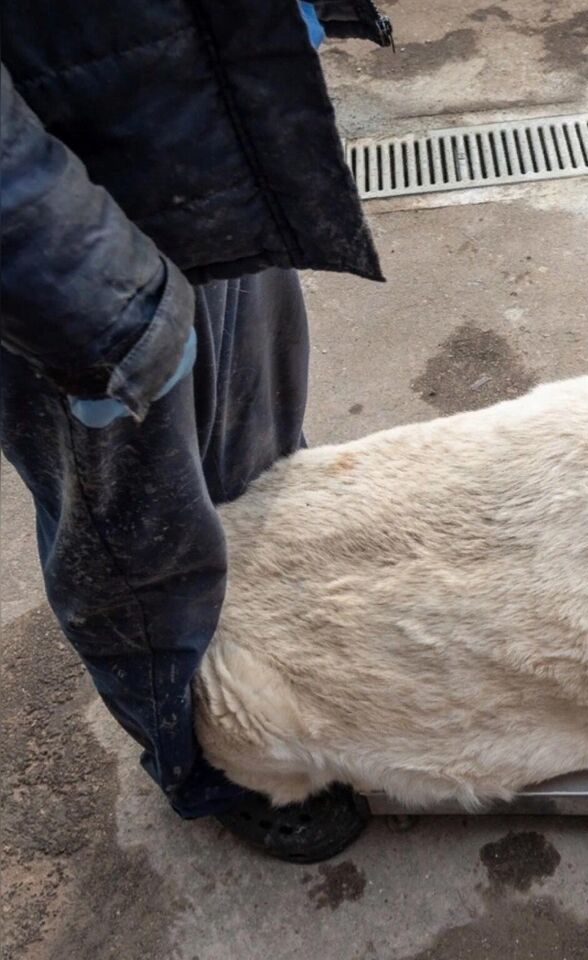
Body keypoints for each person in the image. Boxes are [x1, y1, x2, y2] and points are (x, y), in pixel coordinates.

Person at [1, 0, 392, 862]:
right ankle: (208, 762)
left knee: (261, 470)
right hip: (58, 237)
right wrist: (85, 297)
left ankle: (275, 663)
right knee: (142, 558)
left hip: (189, 131)